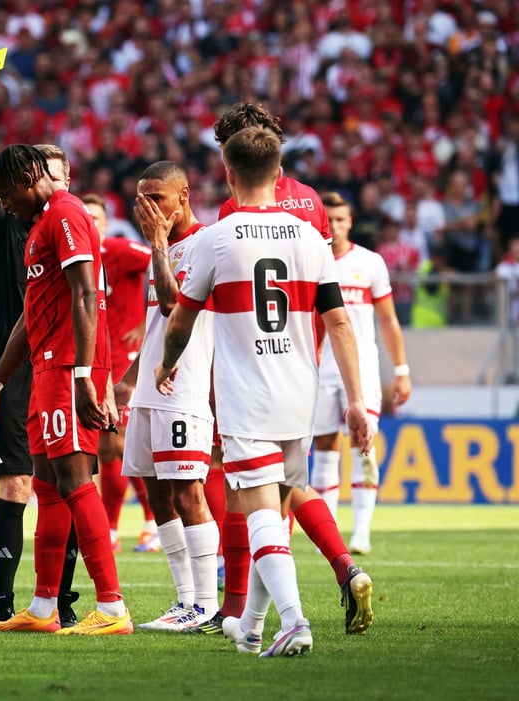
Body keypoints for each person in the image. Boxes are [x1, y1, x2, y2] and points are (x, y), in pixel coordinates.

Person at [153, 126, 373, 657]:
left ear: (227, 174)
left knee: (259, 515)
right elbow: (340, 324)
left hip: (246, 396)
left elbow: (181, 317)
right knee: (277, 505)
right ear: (279, 173)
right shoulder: (308, 237)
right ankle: (250, 624)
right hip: (300, 392)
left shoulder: (216, 238)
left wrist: (168, 362)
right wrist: (356, 400)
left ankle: (294, 621)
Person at [212, 103, 374, 636]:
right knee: (282, 489)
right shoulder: (310, 203)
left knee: (249, 493)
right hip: (309, 358)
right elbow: (326, 300)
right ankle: (273, 609)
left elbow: (216, 303)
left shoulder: (232, 216)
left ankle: (245, 609)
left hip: (253, 366)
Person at [0, 144, 131, 636]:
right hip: (43, 369)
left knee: (76, 480)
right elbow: (28, 316)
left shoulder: (66, 213)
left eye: (6, 193)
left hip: (66, 370)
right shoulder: (41, 226)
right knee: (46, 485)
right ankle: (43, 608)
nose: (5, 203)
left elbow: (85, 294)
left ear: (25, 175)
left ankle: (112, 606)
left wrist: (85, 376)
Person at [0, 68, 80, 627]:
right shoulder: (6, 226)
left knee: (69, 481)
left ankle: (61, 598)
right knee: (17, 482)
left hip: (64, 367)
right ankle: (7, 603)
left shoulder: (73, 226)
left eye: (59, 177)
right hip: (14, 375)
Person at [113, 162, 220, 633]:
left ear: (184, 194)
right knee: (156, 493)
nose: (149, 208)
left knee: (187, 491)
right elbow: (158, 325)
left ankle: (207, 605)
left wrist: (156, 244)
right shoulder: (168, 246)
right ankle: (185, 601)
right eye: (142, 198)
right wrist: (128, 378)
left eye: (157, 197)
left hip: (185, 387)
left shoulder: (204, 245)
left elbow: (176, 305)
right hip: (149, 388)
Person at [311, 192, 412, 555]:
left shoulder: (369, 263)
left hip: (362, 369)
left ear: (350, 222)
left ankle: (362, 531)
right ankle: (331, 530)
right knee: (323, 448)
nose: (335, 226)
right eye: (330, 220)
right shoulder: (311, 261)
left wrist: (401, 370)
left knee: (363, 444)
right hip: (320, 368)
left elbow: (388, 319)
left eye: (341, 220)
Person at [81, 192, 159, 555]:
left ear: (106, 224)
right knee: (108, 448)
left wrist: (149, 321)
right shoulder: (77, 259)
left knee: (124, 441)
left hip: (126, 360)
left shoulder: (119, 249)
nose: (91, 224)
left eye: (96, 218)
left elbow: (161, 263)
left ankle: (149, 523)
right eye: (85, 218)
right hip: (96, 360)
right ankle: (113, 528)